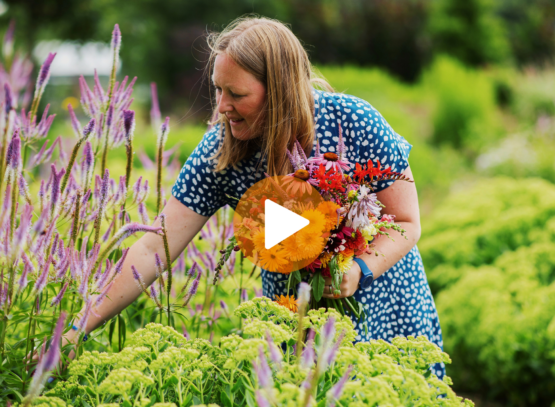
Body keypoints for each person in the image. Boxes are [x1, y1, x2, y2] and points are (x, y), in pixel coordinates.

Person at [62, 16, 445, 378]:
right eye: (217, 89)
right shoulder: (221, 154)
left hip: (385, 306)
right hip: (293, 319)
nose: (222, 106)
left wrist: (357, 270)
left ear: (279, 90)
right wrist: (76, 329)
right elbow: (152, 249)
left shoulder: (353, 121)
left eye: (236, 93)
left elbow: (406, 223)